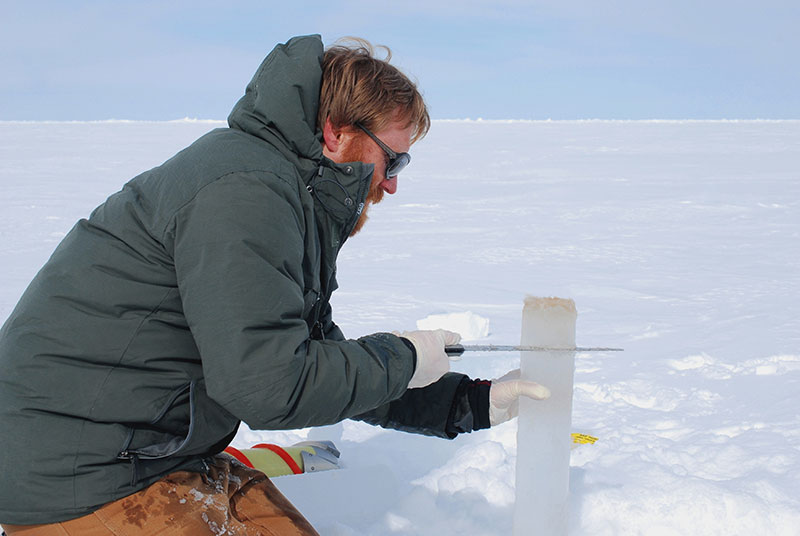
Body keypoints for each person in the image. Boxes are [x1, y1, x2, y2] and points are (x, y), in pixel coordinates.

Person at [0, 35, 549, 535]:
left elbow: (312, 358)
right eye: (393, 158)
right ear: (337, 132)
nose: (393, 183)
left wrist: (470, 404)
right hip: (74, 474)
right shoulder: (244, 191)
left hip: (147, 454)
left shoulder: (284, 189)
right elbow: (268, 386)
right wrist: (403, 357)